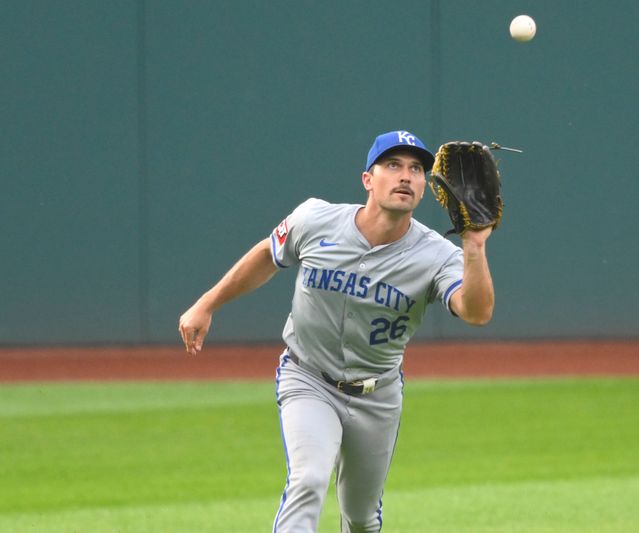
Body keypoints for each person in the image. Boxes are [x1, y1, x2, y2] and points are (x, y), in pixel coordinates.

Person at [178, 130, 495, 532]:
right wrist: (207, 303)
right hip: (308, 377)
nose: (406, 176)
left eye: (417, 169)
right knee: (308, 480)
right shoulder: (316, 219)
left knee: (361, 519)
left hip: (377, 395)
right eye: (393, 165)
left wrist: (475, 246)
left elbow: (476, 312)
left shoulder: (437, 256)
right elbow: (267, 254)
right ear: (368, 179)